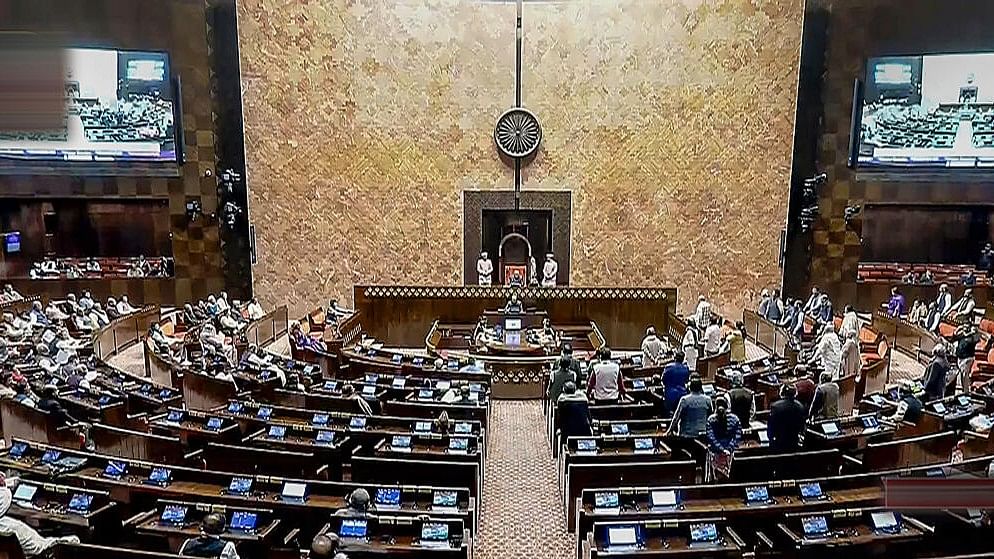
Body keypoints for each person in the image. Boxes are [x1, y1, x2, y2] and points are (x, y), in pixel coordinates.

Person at [0, 476, 80, 556]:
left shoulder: (6, 523)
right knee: (74, 541)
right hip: (42, 550)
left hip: (37, 544)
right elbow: (42, 548)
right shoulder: (12, 530)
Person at [705, 397, 742, 481]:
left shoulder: (711, 419)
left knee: (715, 478)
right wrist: (729, 448)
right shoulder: (735, 419)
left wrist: (721, 449)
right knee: (730, 477)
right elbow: (737, 436)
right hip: (730, 452)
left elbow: (711, 437)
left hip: (715, 451)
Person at [767, 384, 806, 452]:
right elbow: (802, 426)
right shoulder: (800, 406)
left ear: (782, 393)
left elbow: (771, 426)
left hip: (779, 443)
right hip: (794, 442)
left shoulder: (775, 406)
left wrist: (771, 438)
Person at [952, 323, 981, 393]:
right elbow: (955, 336)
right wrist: (959, 328)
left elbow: (975, 339)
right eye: (964, 327)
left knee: (965, 375)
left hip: (967, 358)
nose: (965, 328)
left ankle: (966, 392)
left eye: (967, 327)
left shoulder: (973, 336)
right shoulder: (962, 335)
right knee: (961, 374)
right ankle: (961, 390)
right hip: (960, 358)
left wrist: (973, 332)